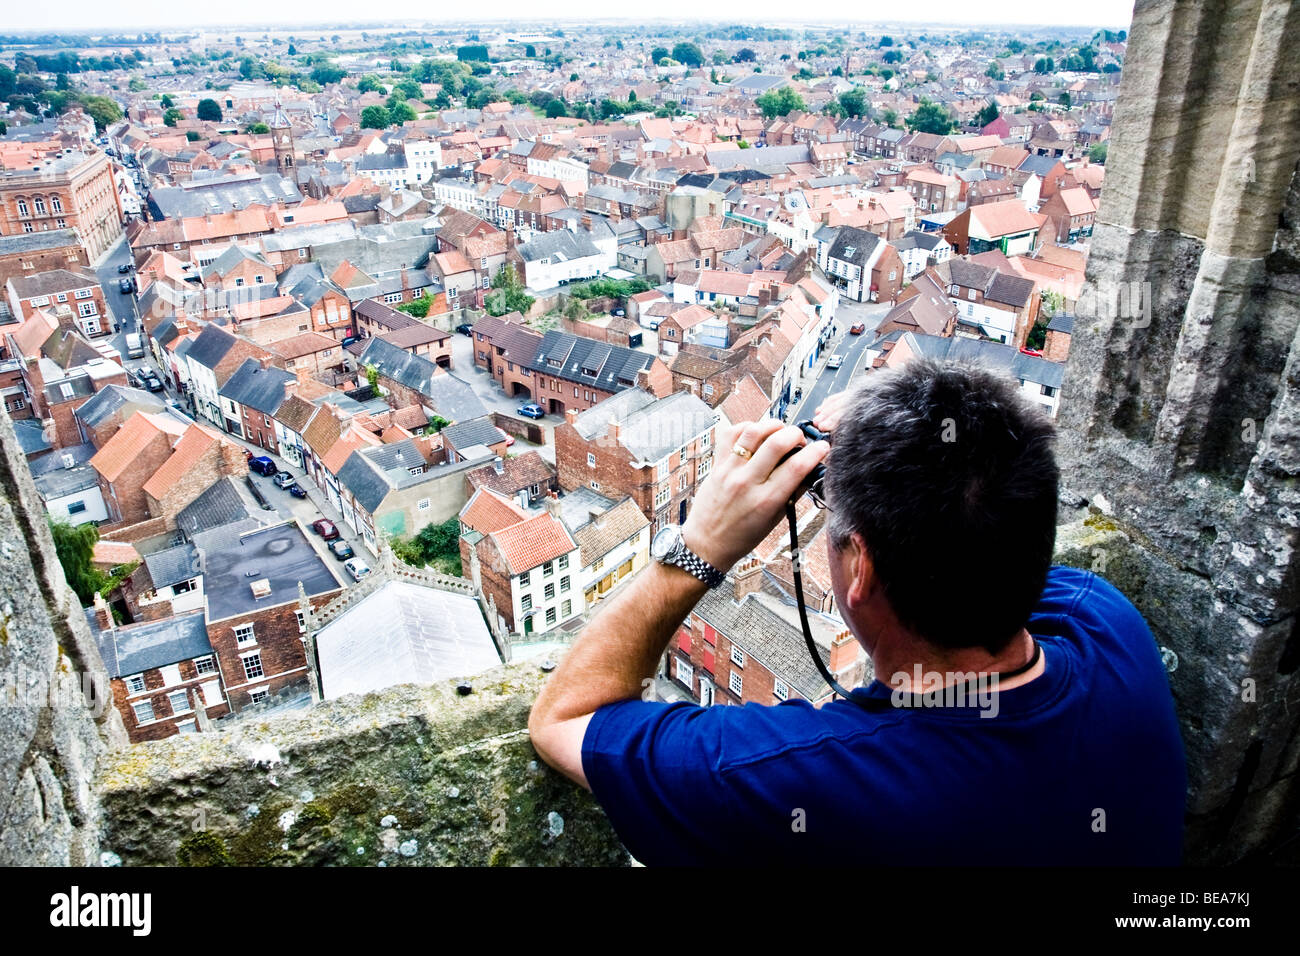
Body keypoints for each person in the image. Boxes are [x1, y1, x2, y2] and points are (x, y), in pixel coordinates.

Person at [529, 359, 1187, 865]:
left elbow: (563, 719)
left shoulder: (811, 782)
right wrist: (903, 429)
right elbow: (985, 537)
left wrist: (699, 546)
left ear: (861, 567)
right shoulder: (1108, 627)